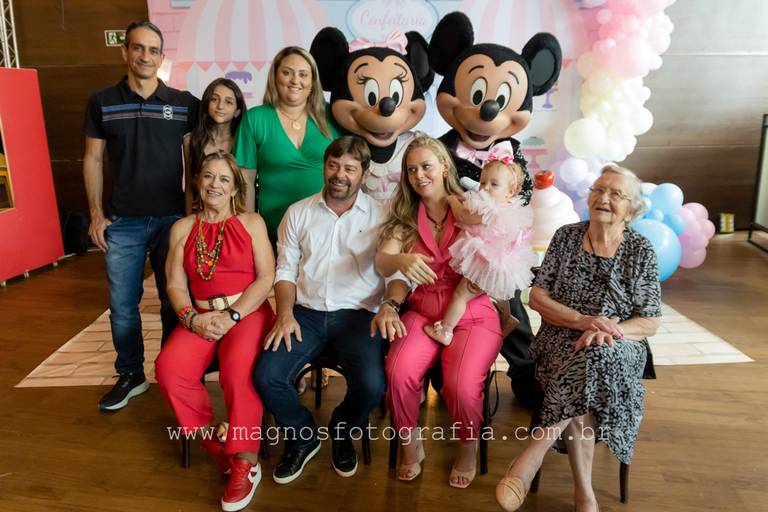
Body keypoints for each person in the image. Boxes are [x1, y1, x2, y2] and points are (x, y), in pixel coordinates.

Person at [495, 164, 662, 512]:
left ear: (631, 209)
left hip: (621, 342)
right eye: (598, 190)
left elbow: (649, 321)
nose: (603, 198)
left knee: (595, 356)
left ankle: (531, 456)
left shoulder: (641, 250)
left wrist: (608, 330)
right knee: (588, 361)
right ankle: (584, 493)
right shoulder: (566, 237)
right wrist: (585, 321)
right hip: (561, 336)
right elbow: (538, 297)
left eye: (615, 194)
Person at [252, 135, 407, 485]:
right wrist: (284, 314)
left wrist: (390, 305)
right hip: (305, 314)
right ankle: (303, 437)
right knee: (266, 375)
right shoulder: (298, 213)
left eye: (350, 168)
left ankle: (342, 429)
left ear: (364, 173)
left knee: (372, 385)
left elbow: (397, 274)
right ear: (324, 167)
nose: (340, 174)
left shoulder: (383, 216)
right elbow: (285, 270)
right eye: (334, 165)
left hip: (358, 315)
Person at [82, 20, 199, 411]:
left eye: (153, 50)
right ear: (125, 52)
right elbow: (92, 159)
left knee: (173, 300)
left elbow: (194, 164)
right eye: (138, 48)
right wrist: (96, 215)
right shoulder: (102, 102)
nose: (145, 56)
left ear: (162, 57)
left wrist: (191, 217)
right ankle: (131, 374)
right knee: (122, 307)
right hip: (123, 222)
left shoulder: (183, 103)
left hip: (172, 220)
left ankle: (172, 368)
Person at [376, 136, 503, 489]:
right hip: (422, 312)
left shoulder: (469, 207)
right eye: (411, 169)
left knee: (461, 384)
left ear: (445, 168)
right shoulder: (404, 218)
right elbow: (383, 263)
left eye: (426, 166)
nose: (419, 175)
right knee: (397, 370)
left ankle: (467, 445)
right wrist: (401, 260)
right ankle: (410, 442)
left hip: (473, 314)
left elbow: (503, 245)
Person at [155, 151, 274, 512]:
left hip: (246, 312)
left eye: (224, 179)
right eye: (208, 176)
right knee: (169, 370)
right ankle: (216, 443)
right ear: (197, 181)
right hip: (201, 316)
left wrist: (233, 315)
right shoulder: (182, 228)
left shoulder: (252, 222)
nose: (215, 185)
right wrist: (192, 318)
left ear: (235, 187)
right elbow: (175, 284)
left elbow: (266, 277)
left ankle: (246, 462)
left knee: (239, 374)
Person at [423, 142, 537, 345]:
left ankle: (446, 331)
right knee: (491, 295)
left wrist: (452, 201)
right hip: (499, 262)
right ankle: (503, 319)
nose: (485, 188)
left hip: (485, 262)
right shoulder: (508, 206)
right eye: (483, 182)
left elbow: (463, 216)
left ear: (510, 191)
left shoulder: (491, 208)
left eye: (494, 184)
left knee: (460, 295)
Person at [233, 46, 340, 241]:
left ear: (313, 82)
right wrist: (249, 233)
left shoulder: (333, 115)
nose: (295, 80)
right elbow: (245, 180)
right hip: (274, 232)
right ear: (275, 77)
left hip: (327, 232)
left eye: (303, 74)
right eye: (287, 72)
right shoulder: (255, 118)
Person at [183, 78, 246, 212]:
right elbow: (189, 187)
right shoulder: (191, 140)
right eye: (214, 99)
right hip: (200, 214)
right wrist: (189, 219)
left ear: (237, 111)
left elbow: (246, 188)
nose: (220, 106)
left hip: (234, 215)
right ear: (207, 103)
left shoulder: (244, 142)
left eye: (228, 102)